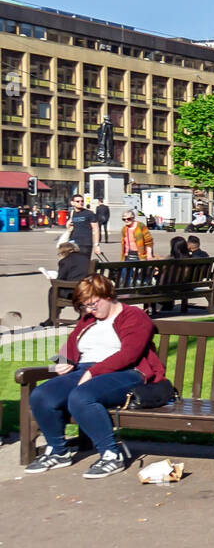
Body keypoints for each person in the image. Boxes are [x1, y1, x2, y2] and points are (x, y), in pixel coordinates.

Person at [25, 273, 168, 478]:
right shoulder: (88, 319)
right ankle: (58, 451)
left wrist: (94, 371)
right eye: (85, 306)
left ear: (107, 295)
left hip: (127, 372)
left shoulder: (134, 316)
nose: (90, 310)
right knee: (41, 395)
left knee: (82, 396)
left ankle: (111, 454)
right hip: (85, 370)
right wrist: (63, 360)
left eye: (93, 304)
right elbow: (73, 343)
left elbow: (129, 354)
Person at [65, 193, 99, 258]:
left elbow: (96, 229)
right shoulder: (72, 213)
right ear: (72, 203)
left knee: (84, 265)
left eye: (82, 201)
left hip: (85, 244)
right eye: (78, 201)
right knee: (73, 265)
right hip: (73, 243)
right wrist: (68, 225)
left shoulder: (89, 213)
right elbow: (69, 228)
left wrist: (96, 245)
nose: (80, 203)